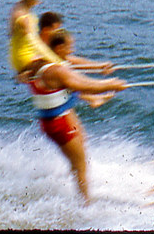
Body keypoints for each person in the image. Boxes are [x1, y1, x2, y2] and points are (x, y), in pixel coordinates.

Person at [23, 28, 126, 203]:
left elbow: (74, 62)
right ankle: (86, 204)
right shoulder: (55, 70)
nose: (71, 49)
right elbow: (82, 84)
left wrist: (100, 67)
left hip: (57, 119)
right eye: (69, 46)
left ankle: (78, 184)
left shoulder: (46, 61)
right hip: (59, 123)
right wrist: (110, 85)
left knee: (81, 146)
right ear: (59, 48)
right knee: (81, 165)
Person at [39, 12, 115, 74]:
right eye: (57, 29)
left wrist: (99, 67)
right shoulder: (37, 47)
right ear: (46, 30)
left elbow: (66, 59)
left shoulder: (52, 46)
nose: (60, 32)